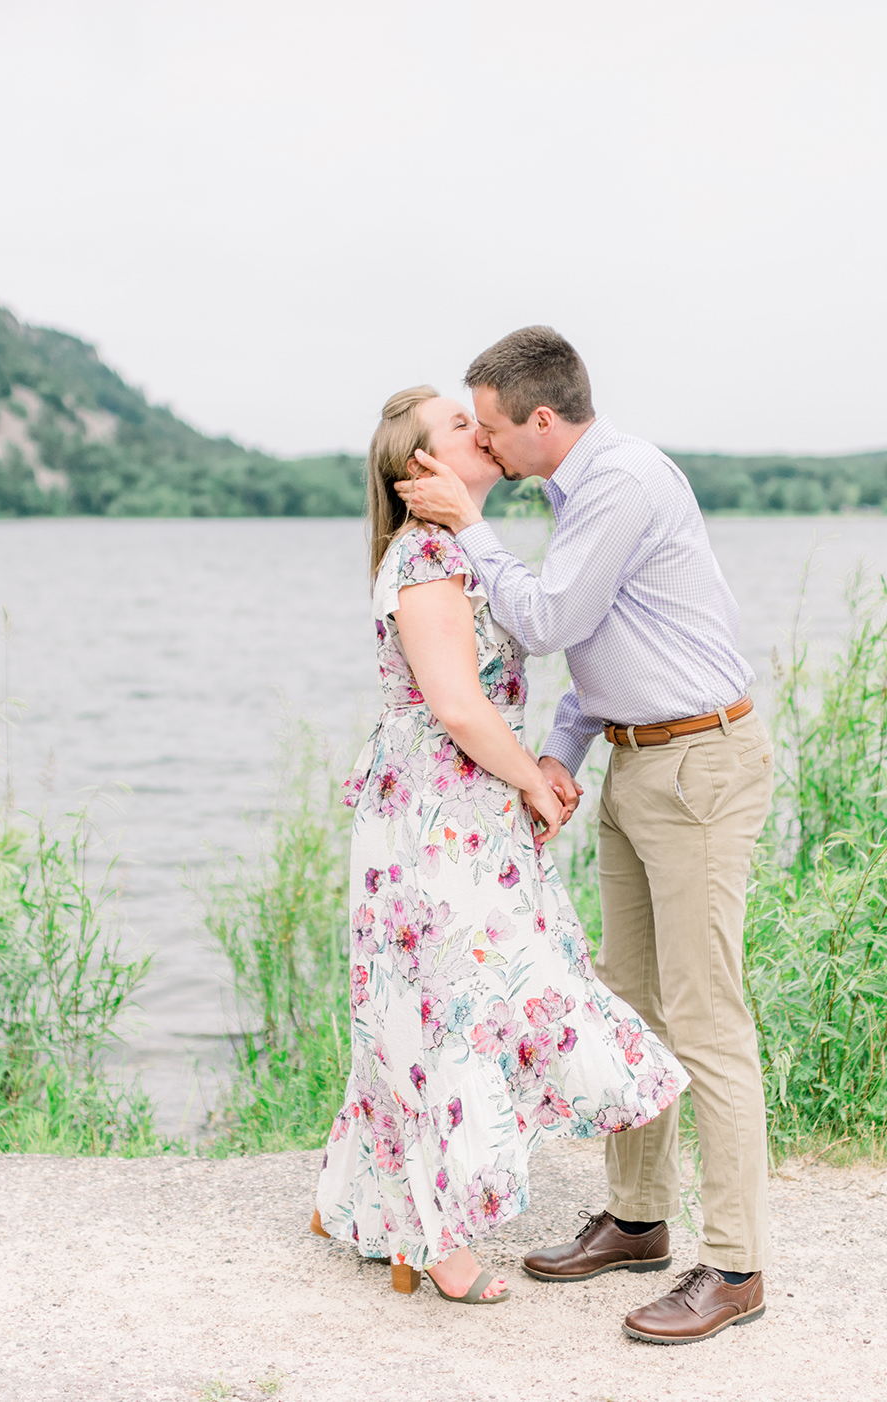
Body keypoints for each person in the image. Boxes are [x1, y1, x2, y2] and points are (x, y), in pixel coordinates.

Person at [395, 327, 775, 1345]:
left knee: (706, 1015)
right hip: (637, 758)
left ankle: (736, 1265)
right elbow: (606, 647)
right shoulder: (577, 491)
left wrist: (472, 526)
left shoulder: (621, 483)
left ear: (543, 421)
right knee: (631, 999)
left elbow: (555, 615)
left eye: (490, 426)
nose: (483, 442)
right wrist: (560, 752)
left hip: (697, 764)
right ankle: (640, 1219)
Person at [311, 386, 689, 1306]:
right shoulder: (427, 557)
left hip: (457, 809)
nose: (479, 431)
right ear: (419, 471)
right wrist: (531, 774)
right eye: (456, 426)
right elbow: (455, 704)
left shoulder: (458, 548)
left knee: (441, 995)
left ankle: (360, 1196)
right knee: (451, 1002)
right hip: (439, 814)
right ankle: (435, 1240)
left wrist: (532, 768)